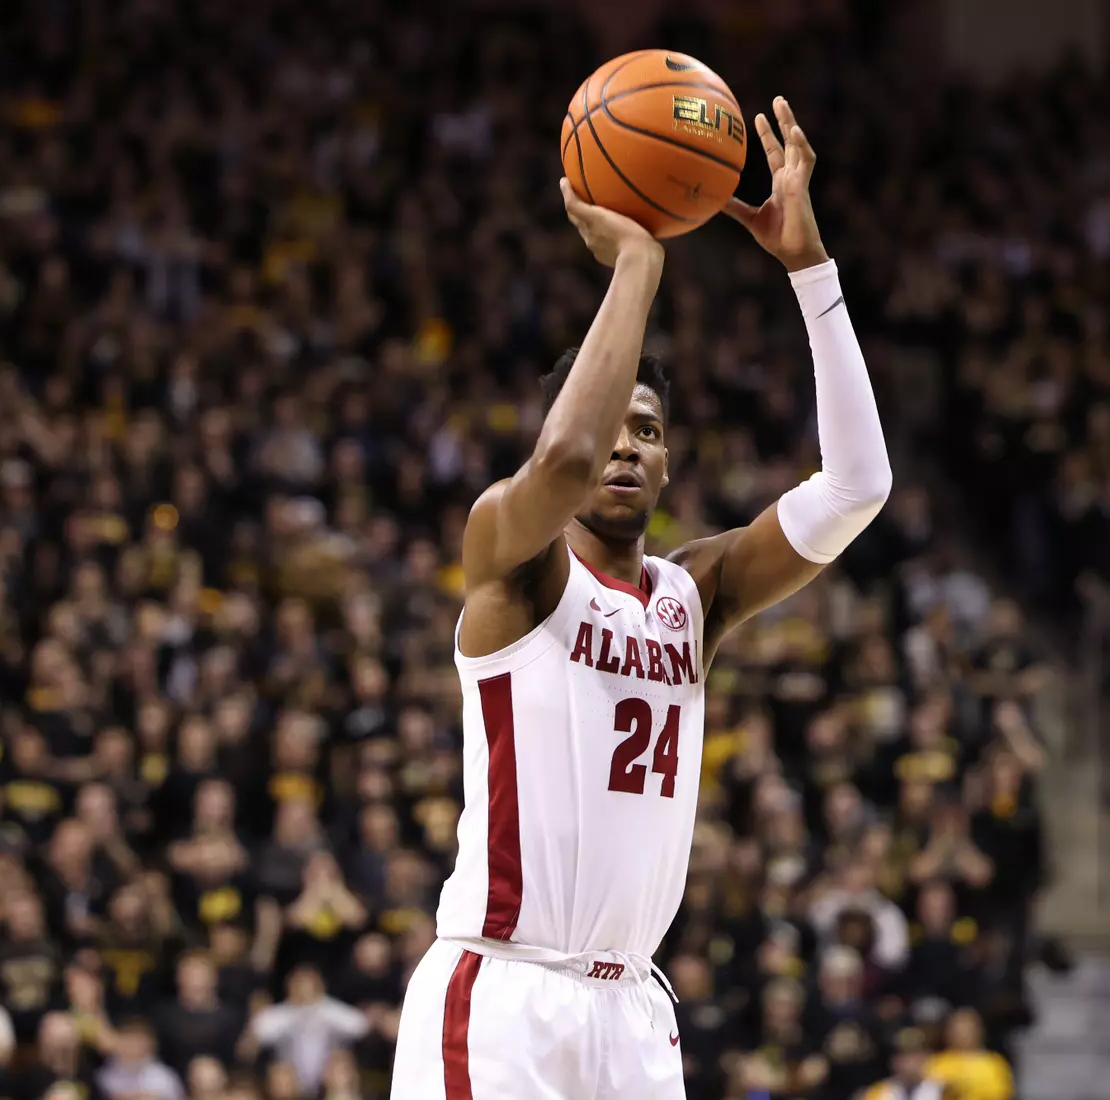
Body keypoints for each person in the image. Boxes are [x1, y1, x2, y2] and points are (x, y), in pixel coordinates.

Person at [390, 94, 891, 1099]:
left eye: (650, 428)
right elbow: (567, 455)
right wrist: (638, 262)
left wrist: (810, 270)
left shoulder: (694, 592)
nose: (626, 441)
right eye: (616, 417)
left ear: (670, 463)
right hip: (504, 990)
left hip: (633, 1010)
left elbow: (858, 486)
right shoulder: (510, 559)